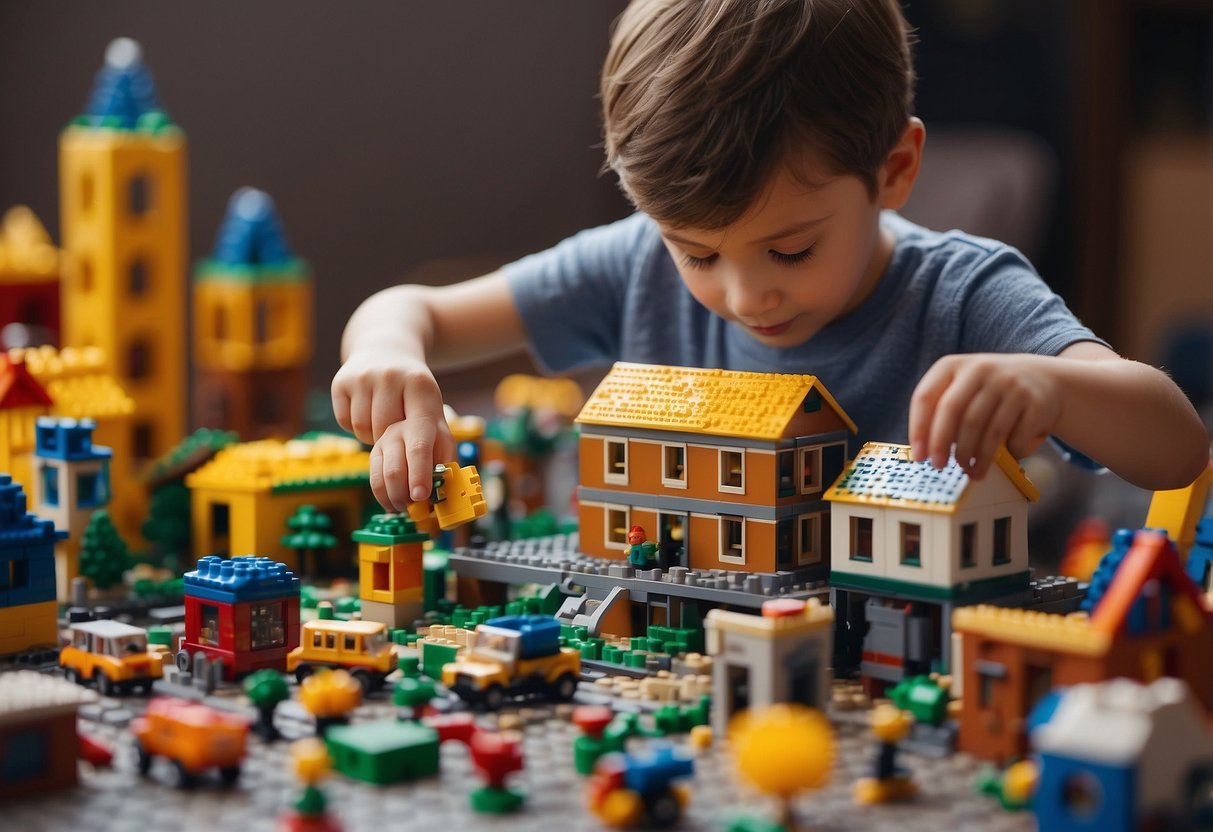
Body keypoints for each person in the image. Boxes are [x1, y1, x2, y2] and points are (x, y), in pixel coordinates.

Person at [332, 0, 1209, 514]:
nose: (746, 294)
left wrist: (1050, 385)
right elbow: (416, 310)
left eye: (790, 248)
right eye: (698, 253)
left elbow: (1174, 446)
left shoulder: (963, 293)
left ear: (894, 169)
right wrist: (385, 359)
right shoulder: (635, 263)